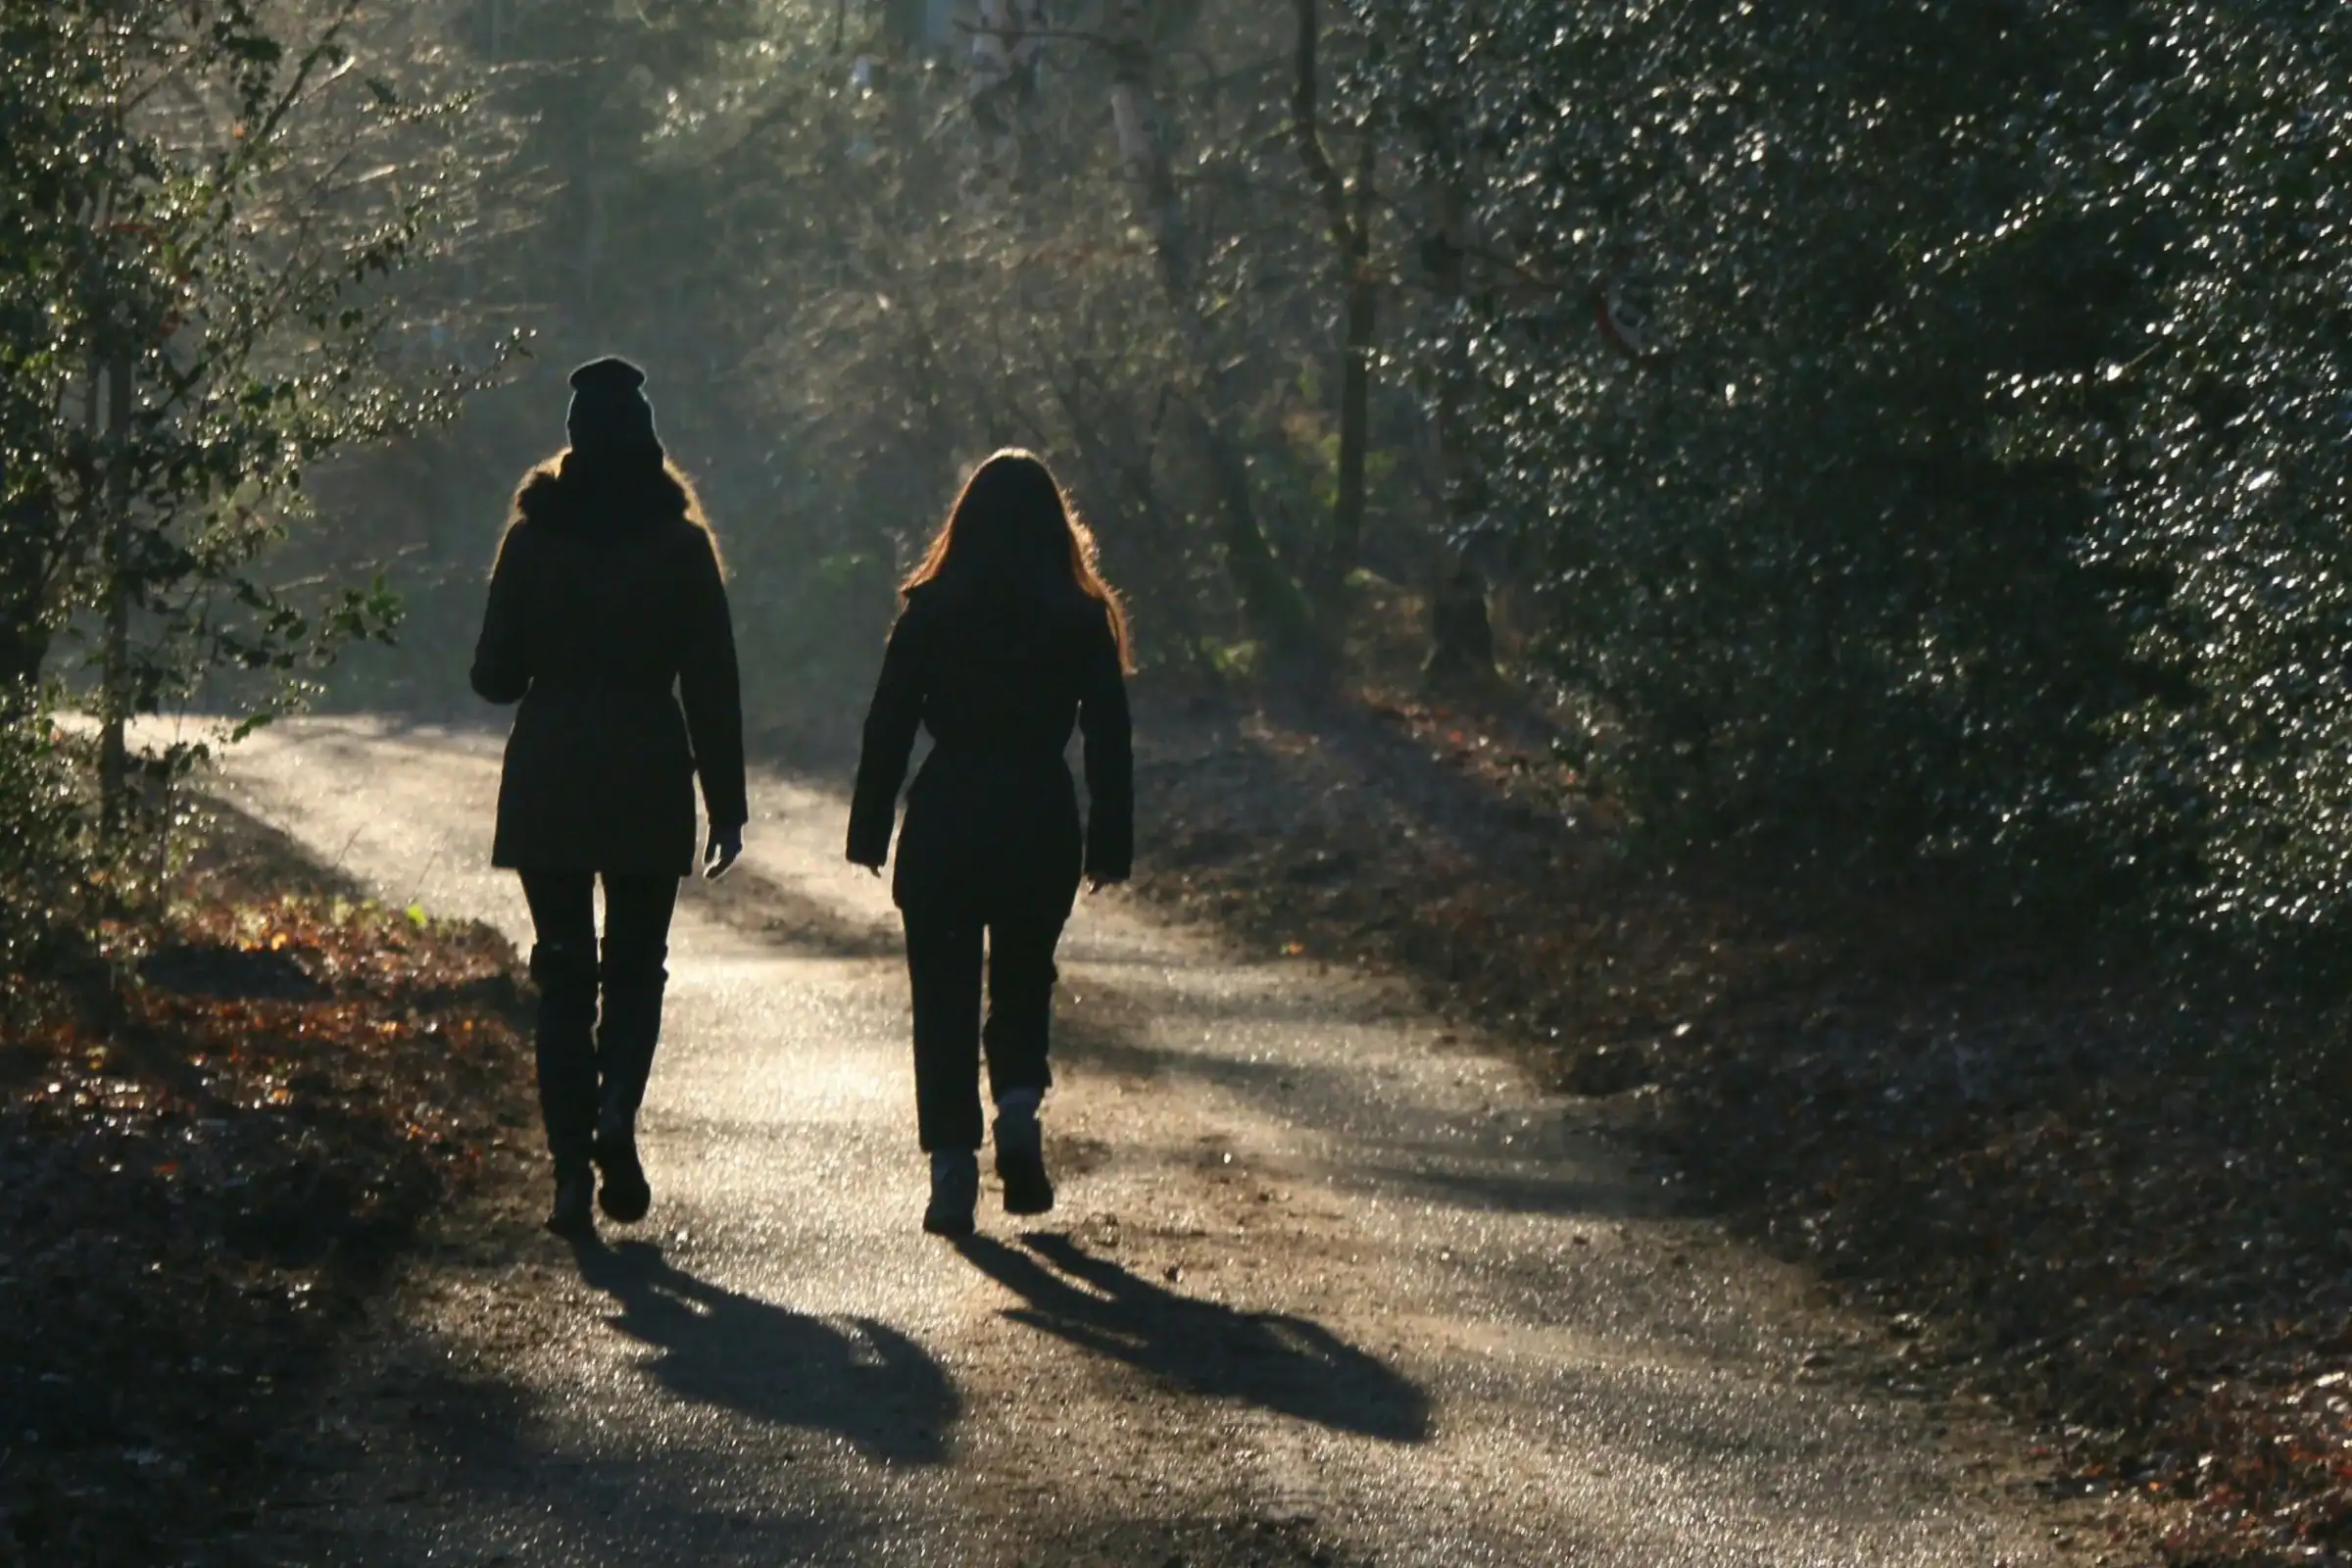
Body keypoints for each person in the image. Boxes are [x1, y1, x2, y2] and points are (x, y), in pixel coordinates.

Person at [470, 357, 747, 1239]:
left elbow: (493, 677)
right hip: (646, 769)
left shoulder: (531, 539)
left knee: (562, 972)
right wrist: (727, 804)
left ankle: (566, 1176)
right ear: (648, 442)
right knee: (635, 966)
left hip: (551, 769)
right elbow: (712, 685)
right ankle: (617, 1107)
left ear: (574, 440)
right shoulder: (681, 546)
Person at [847, 449, 1133, 1236]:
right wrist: (1110, 840)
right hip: (1039, 815)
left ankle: (951, 1169)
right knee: (1023, 977)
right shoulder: (1080, 617)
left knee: (941, 994)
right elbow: (1110, 736)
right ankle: (1016, 1110)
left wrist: (870, 825)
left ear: (964, 524)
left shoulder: (932, 610)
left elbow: (888, 721)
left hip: (948, 815)